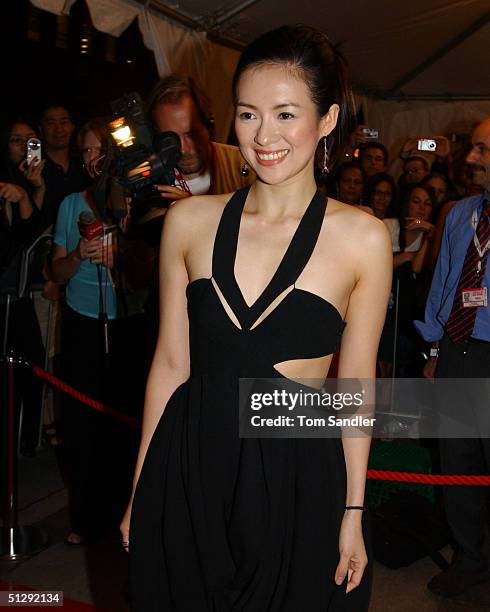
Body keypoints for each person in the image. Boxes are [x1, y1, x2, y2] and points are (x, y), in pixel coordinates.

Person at [123, 25, 391, 611]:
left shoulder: (362, 238)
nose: (264, 136)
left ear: (326, 120)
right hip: (190, 463)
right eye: (248, 115)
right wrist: (141, 489)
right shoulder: (188, 222)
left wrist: (353, 512)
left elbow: (355, 388)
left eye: (285, 114)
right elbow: (170, 362)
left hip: (296, 475)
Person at [415, 118, 490, 597]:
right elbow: (443, 283)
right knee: (458, 465)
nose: (470, 158)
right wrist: (437, 347)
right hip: (459, 353)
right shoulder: (462, 212)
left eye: (482, 149)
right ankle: (471, 560)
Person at [51, 118, 123, 545]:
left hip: (124, 324)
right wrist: (78, 253)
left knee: (119, 423)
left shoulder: (129, 203)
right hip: (81, 321)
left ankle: (120, 513)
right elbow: (56, 272)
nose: (92, 158)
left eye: (99, 150)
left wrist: (123, 260)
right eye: (86, 151)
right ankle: (83, 517)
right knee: (79, 424)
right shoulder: (69, 205)